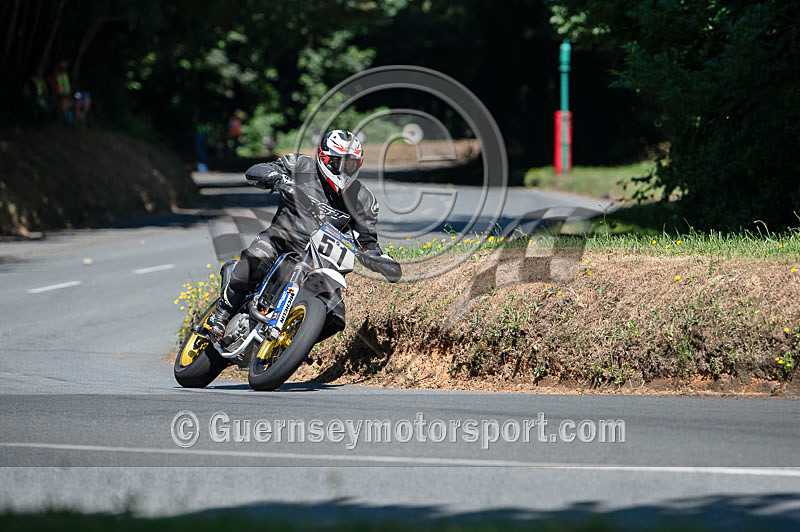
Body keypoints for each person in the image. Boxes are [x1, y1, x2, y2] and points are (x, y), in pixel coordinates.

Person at [205, 129, 400, 338]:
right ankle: (221, 314)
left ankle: (291, 345)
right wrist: (279, 180)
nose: (343, 170)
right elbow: (256, 170)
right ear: (324, 157)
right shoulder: (300, 165)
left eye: (350, 164)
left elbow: (368, 240)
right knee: (254, 260)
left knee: (335, 316)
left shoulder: (363, 199)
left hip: (321, 261)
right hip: (281, 241)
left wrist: (380, 260)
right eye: (338, 163)